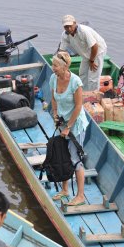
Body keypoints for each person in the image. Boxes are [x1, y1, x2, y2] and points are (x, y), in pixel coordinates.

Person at [49, 51, 89, 206]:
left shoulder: (75, 82)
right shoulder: (54, 78)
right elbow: (53, 98)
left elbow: (79, 106)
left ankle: (80, 196)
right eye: (53, 65)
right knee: (63, 155)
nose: (53, 68)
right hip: (62, 122)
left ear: (65, 66)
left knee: (75, 159)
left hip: (76, 125)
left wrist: (69, 127)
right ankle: (65, 190)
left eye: (56, 66)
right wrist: (55, 115)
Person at [59, 15, 107, 91]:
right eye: (66, 27)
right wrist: (61, 64)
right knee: (82, 73)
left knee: (93, 78)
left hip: (97, 51)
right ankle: (83, 93)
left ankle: (93, 98)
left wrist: (91, 61)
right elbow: (61, 51)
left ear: (74, 23)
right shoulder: (65, 35)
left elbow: (95, 46)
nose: (69, 29)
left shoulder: (84, 31)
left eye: (70, 26)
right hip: (86, 53)